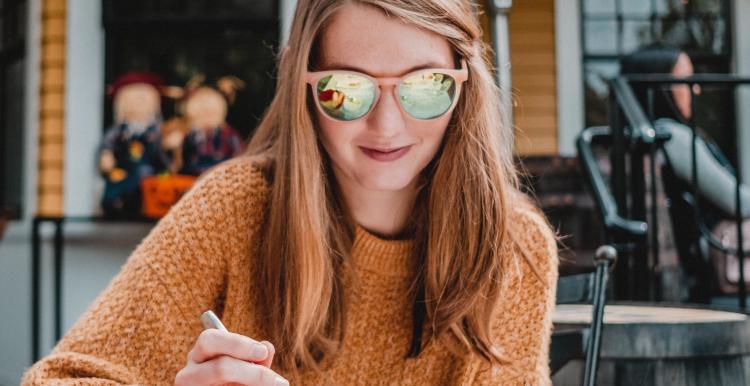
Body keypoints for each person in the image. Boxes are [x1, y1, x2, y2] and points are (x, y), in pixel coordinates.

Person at [22, 1, 558, 385]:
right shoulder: (235, 209)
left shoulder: (513, 250)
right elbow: (62, 378)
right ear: (306, 90)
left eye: (425, 86)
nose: (387, 125)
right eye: (346, 89)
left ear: (463, 85)